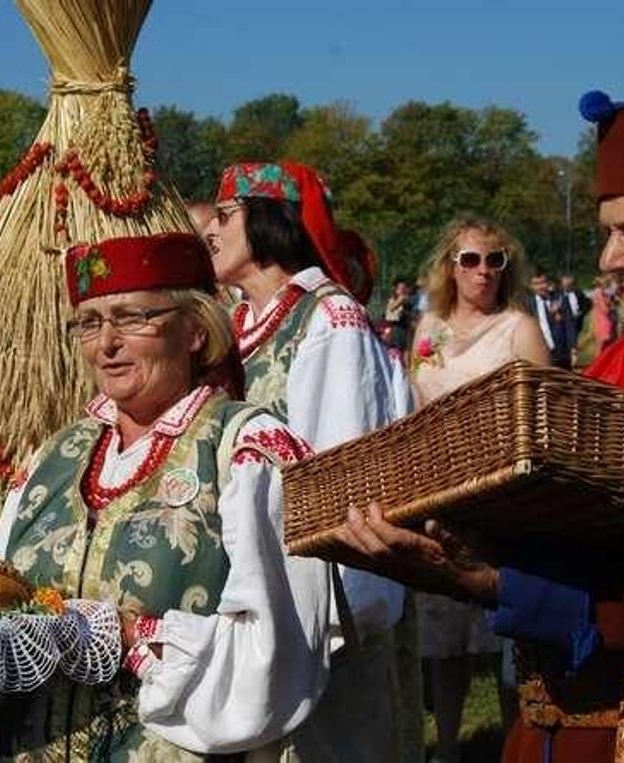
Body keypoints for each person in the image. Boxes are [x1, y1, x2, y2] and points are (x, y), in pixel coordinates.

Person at [333, 90, 624, 762]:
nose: (610, 257)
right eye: (607, 231)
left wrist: (508, 583)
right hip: (554, 730)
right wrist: (454, 542)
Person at [0, 232, 331, 760]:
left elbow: (277, 653)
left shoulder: (247, 448)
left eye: (132, 318)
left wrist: (132, 636)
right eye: (89, 322)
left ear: (195, 329)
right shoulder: (55, 456)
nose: (106, 343)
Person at [204, 160, 419, 761]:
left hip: (320, 608)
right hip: (249, 591)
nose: (211, 231)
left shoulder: (329, 320)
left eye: (225, 216)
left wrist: (331, 618)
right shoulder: (238, 324)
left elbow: (340, 472)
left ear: (268, 221)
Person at [409, 214, 548, 763]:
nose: (484, 271)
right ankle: (447, 748)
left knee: (513, 633)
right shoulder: (428, 328)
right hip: (440, 495)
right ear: (451, 266)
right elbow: (417, 408)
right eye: (470, 259)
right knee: (444, 639)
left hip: (503, 500)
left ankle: (517, 745)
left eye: (496, 260)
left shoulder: (520, 328)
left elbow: (544, 411)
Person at [528, 271, 576, 369]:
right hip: (540, 353)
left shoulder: (561, 299)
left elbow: (569, 325)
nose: (541, 286)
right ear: (531, 286)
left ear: (548, 283)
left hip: (561, 353)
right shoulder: (527, 305)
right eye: (536, 284)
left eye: (543, 282)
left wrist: (573, 348)